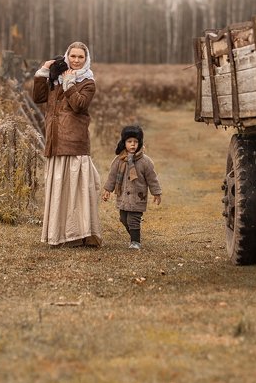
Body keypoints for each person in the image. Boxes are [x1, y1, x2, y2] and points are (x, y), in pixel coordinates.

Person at [33, 41, 103, 247]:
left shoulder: (88, 83)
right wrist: (44, 71)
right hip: (55, 142)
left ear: (86, 59)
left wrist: (70, 84)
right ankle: (58, 234)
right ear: (67, 56)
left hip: (74, 143)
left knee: (76, 194)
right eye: (73, 56)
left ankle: (78, 235)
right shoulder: (56, 78)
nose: (76, 60)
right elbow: (38, 97)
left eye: (80, 57)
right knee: (58, 193)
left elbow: (79, 106)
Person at [101, 125, 162, 250]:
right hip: (123, 196)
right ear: (124, 143)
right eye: (129, 142)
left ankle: (135, 242)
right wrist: (107, 190)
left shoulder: (145, 161)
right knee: (123, 219)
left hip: (137, 197)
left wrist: (156, 192)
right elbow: (112, 176)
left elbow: (152, 178)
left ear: (140, 143)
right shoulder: (119, 160)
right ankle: (134, 236)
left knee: (133, 219)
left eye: (135, 142)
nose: (133, 145)